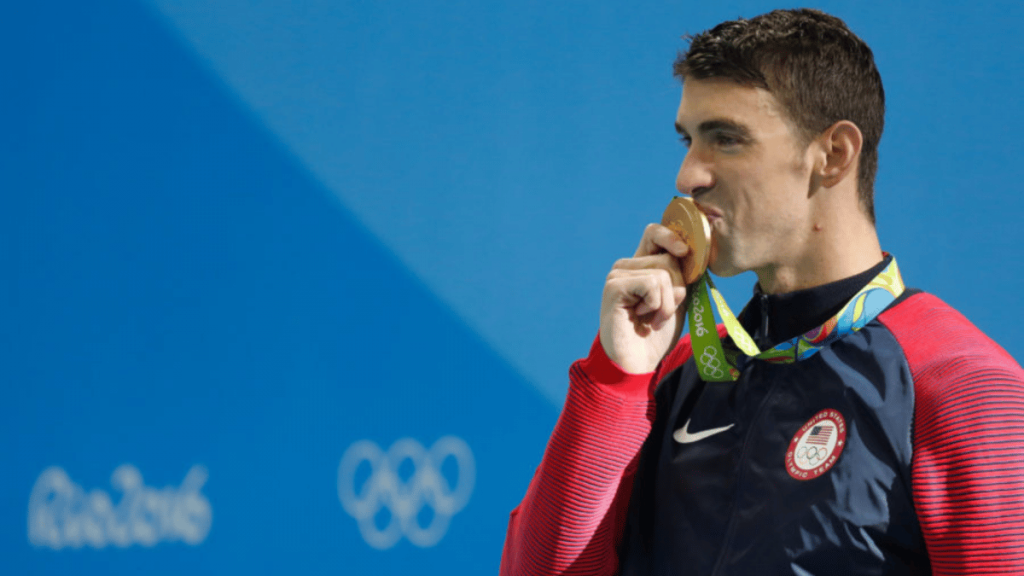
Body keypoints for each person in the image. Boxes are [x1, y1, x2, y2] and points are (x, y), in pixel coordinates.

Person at [500, 8, 1024, 576]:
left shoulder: (963, 387)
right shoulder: (676, 372)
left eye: (726, 140)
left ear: (833, 155)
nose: (688, 177)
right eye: (688, 140)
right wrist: (615, 378)